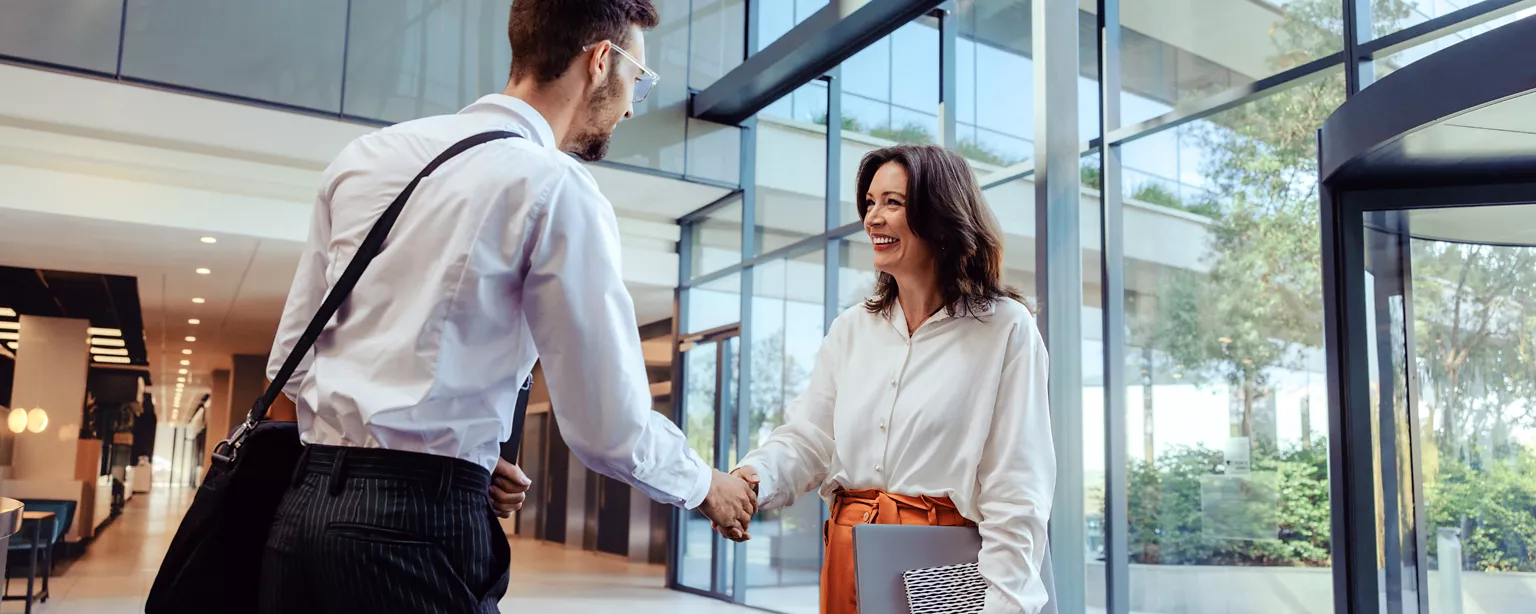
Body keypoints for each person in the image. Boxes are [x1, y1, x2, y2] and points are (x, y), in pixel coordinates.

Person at [258, 1, 756, 612]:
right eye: (639, 81)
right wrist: (706, 486)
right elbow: (608, 426)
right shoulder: (554, 186)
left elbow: (292, 361)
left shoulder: (365, 157)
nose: (631, 105)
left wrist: (455, 455)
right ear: (601, 61)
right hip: (415, 535)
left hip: (300, 519)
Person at [724, 145, 1056, 614]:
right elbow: (810, 439)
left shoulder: (1005, 328)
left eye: (893, 203)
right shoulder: (852, 328)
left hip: (943, 569)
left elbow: (1017, 490)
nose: (873, 218)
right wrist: (753, 480)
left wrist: (1004, 606)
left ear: (940, 213)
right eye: (870, 203)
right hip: (846, 555)